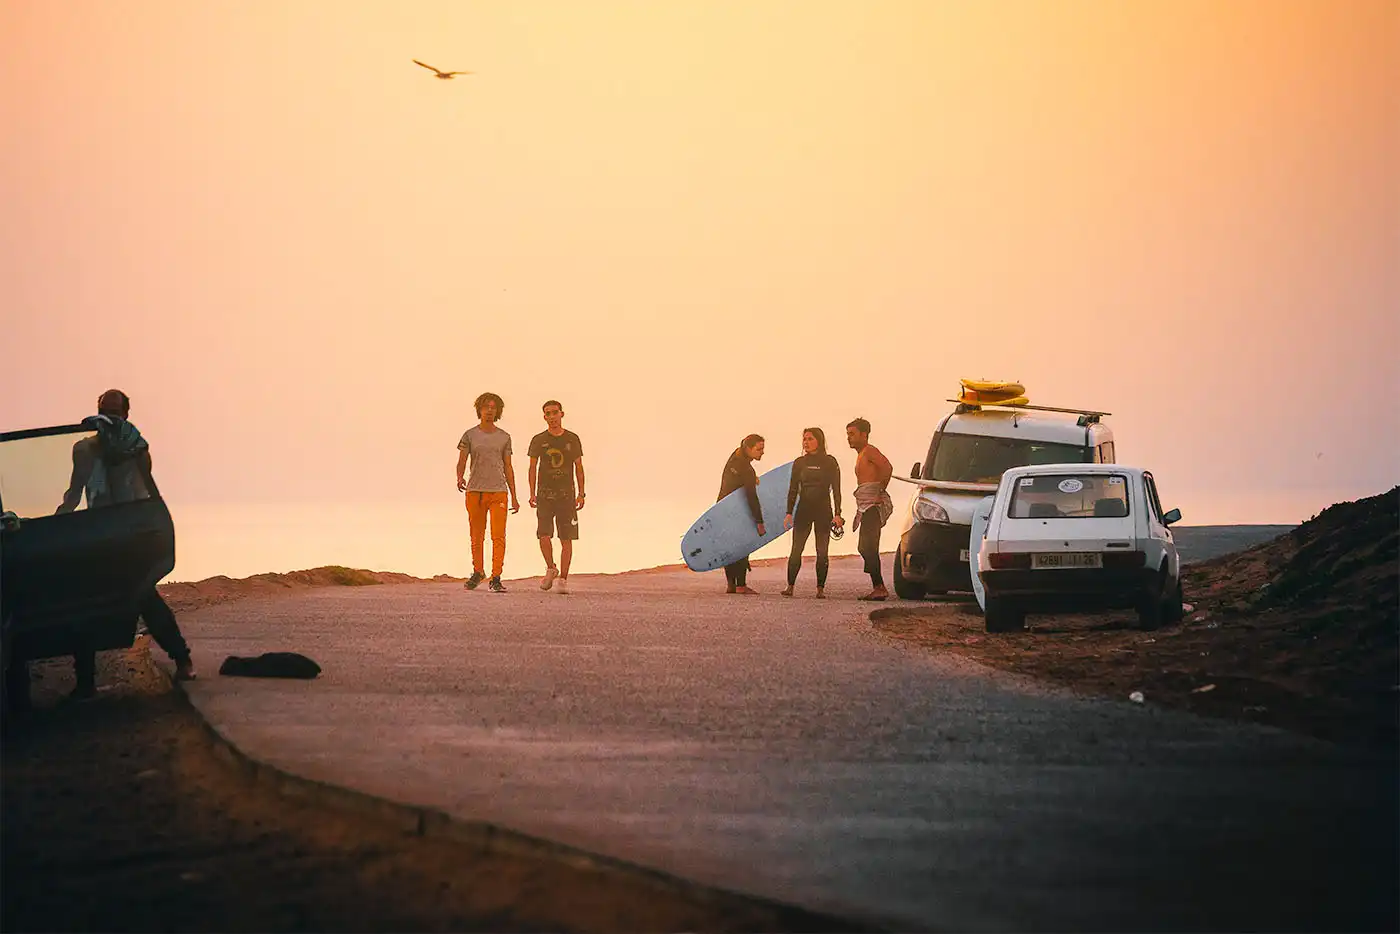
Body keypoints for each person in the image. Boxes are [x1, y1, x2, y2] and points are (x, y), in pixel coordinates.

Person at [55, 389, 197, 694]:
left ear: (126, 415)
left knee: (146, 597)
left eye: (116, 412)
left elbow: (146, 488)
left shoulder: (137, 449)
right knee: (86, 605)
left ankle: (183, 660)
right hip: (99, 533)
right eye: (106, 411)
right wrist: (58, 520)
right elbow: (75, 491)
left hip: (131, 533)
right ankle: (85, 683)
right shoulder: (84, 449)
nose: (111, 417)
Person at [456, 392, 520, 593]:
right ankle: (478, 571)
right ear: (479, 409)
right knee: (476, 534)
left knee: (498, 535)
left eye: (493, 407)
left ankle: (496, 576)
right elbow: (462, 460)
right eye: (486, 407)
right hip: (475, 490)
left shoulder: (504, 437)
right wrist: (459, 477)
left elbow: (508, 466)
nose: (489, 410)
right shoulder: (469, 435)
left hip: (498, 491)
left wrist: (515, 496)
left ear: (498, 411)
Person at [527, 400, 585, 594]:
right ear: (544, 417)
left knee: (566, 537)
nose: (552, 417)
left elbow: (578, 467)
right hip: (544, 494)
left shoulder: (572, 438)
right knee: (543, 534)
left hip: (566, 495)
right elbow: (532, 467)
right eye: (548, 414)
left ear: (562, 414)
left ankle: (564, 580)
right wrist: (532, 493)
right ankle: (551, 567)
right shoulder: (538, 440)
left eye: (554, 413)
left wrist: (581, 493)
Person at [781, 428, 843, 598]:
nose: (806, 442)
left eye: (810, 439)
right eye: (804, 439)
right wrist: (788, 513)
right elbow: (793, 489)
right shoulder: (799, 462)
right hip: (804, 510)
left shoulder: (830, 462)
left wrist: (838, 514)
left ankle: (820, 589)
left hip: (823, 510)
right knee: (796, 549)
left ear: (819, 441)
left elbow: (837, 489)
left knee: (822, 551)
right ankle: (790, 586)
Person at [846, 417, 894, 601]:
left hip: (873, 505)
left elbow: (887, 467)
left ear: (864, 435)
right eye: (847, 434)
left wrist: (880, 490)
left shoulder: (870, 451)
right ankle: (877, 583)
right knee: (864, 547)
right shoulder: (861, 454)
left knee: (869, 546)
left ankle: (879, 587)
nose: (849, 438)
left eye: (852, 434)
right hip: (865, 505)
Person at [717, 434, 766, 595]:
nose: (762, 452)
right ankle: (741, 585)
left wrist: (752, 479)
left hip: (722, 508)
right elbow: (752, 497)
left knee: (729, 546)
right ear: (748, 448)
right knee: (743, 546)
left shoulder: (735, 456)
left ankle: (731, 585)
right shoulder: (747, 470)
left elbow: (735, 479)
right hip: (737, 512)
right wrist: (759, 522)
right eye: (759, 449)